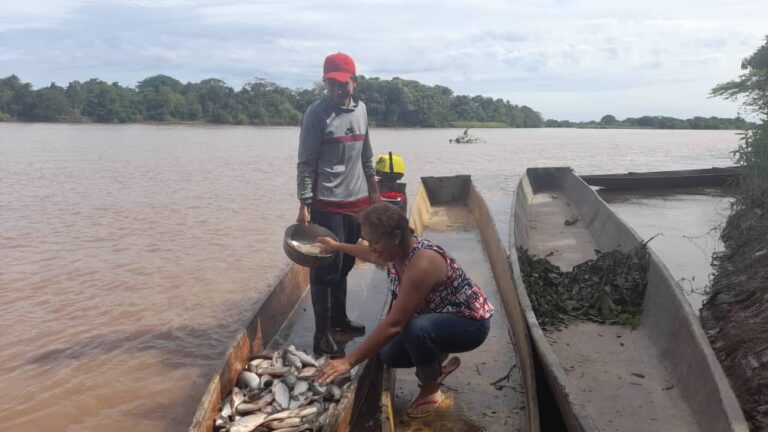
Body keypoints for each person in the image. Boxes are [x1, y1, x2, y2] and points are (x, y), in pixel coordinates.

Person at [314, 202, 494, 418]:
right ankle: (436, 363)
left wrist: (348, 361)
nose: (372, 247)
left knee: (415, 328)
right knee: (389, 355)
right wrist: (336, 246)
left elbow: (394, 324)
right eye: (369, 241)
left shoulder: (422, 262)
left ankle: (431, 391)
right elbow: (366, 253)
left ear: (396, 236)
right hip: (439, 318)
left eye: (376, 241)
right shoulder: (392, 253)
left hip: (471, 325)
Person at [296, 52, 381, 356]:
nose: (336, 90)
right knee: (326, 268)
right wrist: (305, 203)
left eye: (342, 84)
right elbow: (306, 162)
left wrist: (375, 197)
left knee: (346, 263)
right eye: (331, 84)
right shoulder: (316, 114)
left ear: (354, 83)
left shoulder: (362, 111)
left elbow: (367, 158)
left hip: (356, 200)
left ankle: (340, 320)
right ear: (325, 83)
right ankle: (321, 336)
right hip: (327, 201)